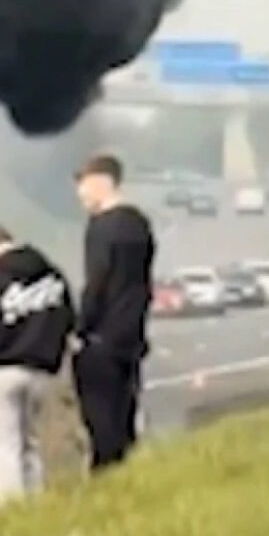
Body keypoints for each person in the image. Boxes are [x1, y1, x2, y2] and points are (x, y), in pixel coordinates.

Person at [0, 226, 76, 503]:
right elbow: (69, 317)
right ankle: (34, 501)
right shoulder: (51, 274)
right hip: (41, 370)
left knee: (3, 445)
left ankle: (10, 506)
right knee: (29, 442)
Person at [72, 154, 156, 470]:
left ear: (100, 182)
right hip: (131, 334)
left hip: (101, 338)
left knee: (100, 419)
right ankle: (129, 472)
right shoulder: (139, 224)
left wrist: (81, 328)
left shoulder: (101, 228)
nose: (81, 196)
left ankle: (106, 476)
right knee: (125, 412)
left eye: (82, 187)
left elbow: (97, 281)